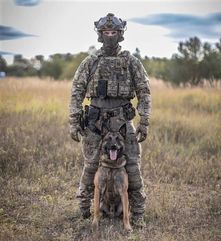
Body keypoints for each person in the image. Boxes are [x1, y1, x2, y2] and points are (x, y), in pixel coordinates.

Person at [69, 13, 151, 227]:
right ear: (100, 34)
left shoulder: (131, 62)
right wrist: (74, 120)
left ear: (120, 34)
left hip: (122, 121)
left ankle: (138, 214)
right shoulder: (90, 62)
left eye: (114, 32)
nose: (110, 36)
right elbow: (77, 91)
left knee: (132, 167)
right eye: (106, 32)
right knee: (91, 166)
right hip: (95, 122)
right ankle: (84, 211)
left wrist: (144, 121)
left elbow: (144, 91)